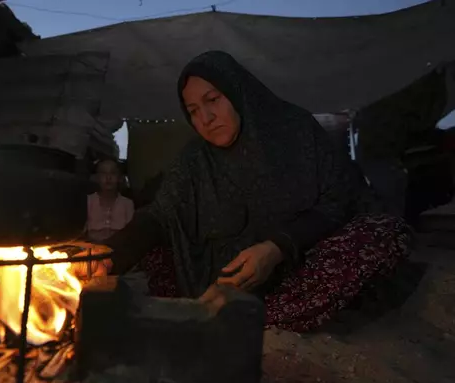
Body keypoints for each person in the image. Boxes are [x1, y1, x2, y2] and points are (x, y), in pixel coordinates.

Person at [92, 51, 411, 332]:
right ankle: (223, 310)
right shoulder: (195, 160)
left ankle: (250, 315)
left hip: (292, 269)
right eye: (192, 110)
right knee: (156, 253)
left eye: (212, 100)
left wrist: (276, 248)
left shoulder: (294, 132)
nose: (205, 118)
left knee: (384, 234)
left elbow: (338, 201)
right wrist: (107, 255)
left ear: (236, 91)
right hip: (215, 279)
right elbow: (161, 216)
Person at [86, 158, 135, 242]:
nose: (108, 177)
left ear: (120, 177)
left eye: (113, 173)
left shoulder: (128, 204)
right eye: (103, 173)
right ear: (97, 177)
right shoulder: (88, 201)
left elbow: (131, 234)